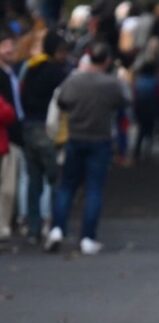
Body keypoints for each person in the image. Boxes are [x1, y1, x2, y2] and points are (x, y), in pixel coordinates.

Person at [44, 42, 129, 255]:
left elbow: (62, 101)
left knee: (66, 186)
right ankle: (88, 237)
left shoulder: (74, 82)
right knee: (93, 189)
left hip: (76, 137)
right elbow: (123, 102)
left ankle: (56, 228)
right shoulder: (111, 84)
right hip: (100, 139)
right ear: (107, 61)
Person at [20, 29, 68, 243]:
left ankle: (33, 227)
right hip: (48, 128)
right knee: (55, 179)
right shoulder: (57, 72)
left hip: (28, 127)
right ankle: (56, 225)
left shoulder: (30, 68)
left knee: (33, 181)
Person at [0, 28, 24, 242]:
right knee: (7, 186)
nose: (11, 49)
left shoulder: (12, 73)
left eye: (12, 44)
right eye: (5, 45)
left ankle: (5, 224)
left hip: (11, 135)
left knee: (10, 186)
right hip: (6, 135)